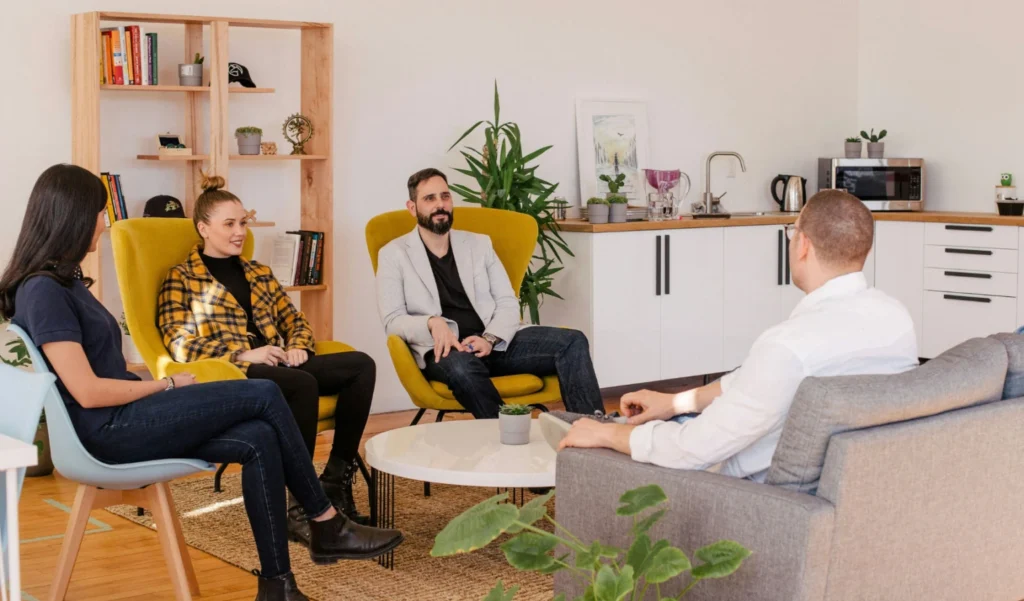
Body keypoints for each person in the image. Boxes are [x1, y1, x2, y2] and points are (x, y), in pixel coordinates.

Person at [0, 164, 403, 601]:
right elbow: (88, 392)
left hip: (125, 417)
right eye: (100, 212)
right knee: (267, 392)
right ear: (73, 216)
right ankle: (325, 521)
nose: (104, 222)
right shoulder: (44, 291)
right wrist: (165, 385)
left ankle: (278, 587)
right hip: (109, 430)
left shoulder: (64, 284)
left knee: (260, 437)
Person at [552, 189, 919, 481]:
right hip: (841, 482)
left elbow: (691, 450)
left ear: (803, 245)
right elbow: (757, 382)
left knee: (599, 433)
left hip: (741, 489)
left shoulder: (788, 346)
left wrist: (608, 437)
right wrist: (676, 403)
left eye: (792, 232)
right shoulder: (895, 319)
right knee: (633, 422)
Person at [157, 175, 376, 537]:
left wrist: (299, 346)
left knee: (361, 365)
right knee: (301, 385)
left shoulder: (259, 272)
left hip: (279, 362)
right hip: (233, 372)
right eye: (229, 224)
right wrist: (244, 353)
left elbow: (295, 320)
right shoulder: (181, 278)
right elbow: (179, 343)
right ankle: (300, 505)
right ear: (203, 228)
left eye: (243, 223)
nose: (239, 232)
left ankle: (335, 481)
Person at [375, 167, 606, 419]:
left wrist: (490, 338)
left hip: (493, 343)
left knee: (572, 340)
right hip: (445, 350)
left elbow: (507, 301)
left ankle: (592, 430)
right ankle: (509, 434)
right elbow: (392, 320)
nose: (440, 205)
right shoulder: (393, 254)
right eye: (429, 198)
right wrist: (432, 323)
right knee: (463, 369)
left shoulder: (479, 244)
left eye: (445, 196)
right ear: (412, 207)